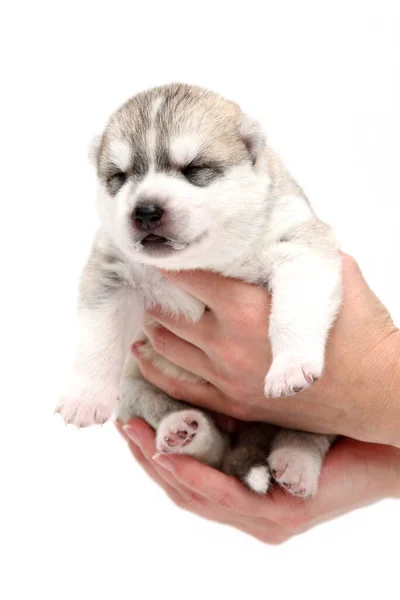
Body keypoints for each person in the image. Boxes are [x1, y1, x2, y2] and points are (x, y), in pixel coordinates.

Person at [116, 254, 400, 544]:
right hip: (177, 380)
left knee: (315, 397)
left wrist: (382, 388)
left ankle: (289, 449)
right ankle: (208, 445)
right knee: (133, 393)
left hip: (291, 390)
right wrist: (385, 468)